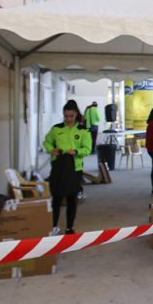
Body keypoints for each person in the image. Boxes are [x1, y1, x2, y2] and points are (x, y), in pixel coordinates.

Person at [43, 100, 91, 235]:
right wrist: (51, 149)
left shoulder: (83, 131)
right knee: (56, 198)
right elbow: (46, 142)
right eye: (66, 116)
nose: (68, 119)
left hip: (74, 169)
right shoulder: (56, 129)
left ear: (76, 115)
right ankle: (53, 226)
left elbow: (87, 149)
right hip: (58, 168)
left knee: (71, 199)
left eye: (71, 116)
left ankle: (69, 227)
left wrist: (76, 152)